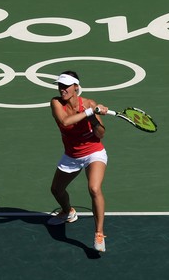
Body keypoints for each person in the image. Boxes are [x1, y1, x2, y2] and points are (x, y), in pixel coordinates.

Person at [47, 70, 109, 252]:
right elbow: (65, 122)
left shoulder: (89, 103)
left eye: (66, 86)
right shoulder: (56, 103)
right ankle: (68, 212)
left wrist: (95, 118)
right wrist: (89, 111)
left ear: (76, 87)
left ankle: (99, 233)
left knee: (94, 188)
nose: (62, 89)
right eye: (60, 85)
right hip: (71, 156)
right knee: (56, 190)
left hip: (93, 153)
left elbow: (101, 134)